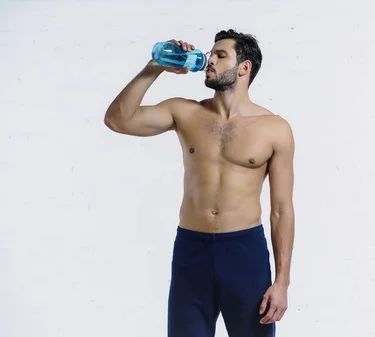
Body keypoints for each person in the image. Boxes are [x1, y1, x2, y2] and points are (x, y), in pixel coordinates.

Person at [103, 29, 295, 337]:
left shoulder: (274, 129)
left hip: (245, 254)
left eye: (221, 55)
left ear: (244, 67)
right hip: (192, 252)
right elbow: (117, 120)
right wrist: (156, 66)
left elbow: (282, 210)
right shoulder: (185, 111)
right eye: (211, 53)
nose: (209, 60)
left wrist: (282, 282)